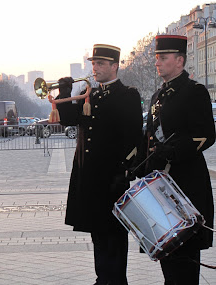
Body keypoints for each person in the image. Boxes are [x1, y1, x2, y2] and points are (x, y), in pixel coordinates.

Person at [52, 44, 143, 285]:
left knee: (113, 233)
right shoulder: (89, 93)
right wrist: (64, 93)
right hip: (90, 175)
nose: (95, 68)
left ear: (115, 66)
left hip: (112, 176)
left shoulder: (127, 95)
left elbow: (134, 137)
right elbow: (69, 120)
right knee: (97, 231)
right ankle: (103, 277)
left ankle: (114, 280)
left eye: (101, 63)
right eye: (94, 63)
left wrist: (125, 169)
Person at [132, 35, 215, 285]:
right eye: (157, 58)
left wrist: (173, 151)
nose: (157, 63)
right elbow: (150, 137)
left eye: (163, 58)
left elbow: (206, 135)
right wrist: (140, 164)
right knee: (167, 258)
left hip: (186, 184)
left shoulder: (194, 92)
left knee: (185, 263)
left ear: (179, 61)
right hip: (160, 186)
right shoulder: (158, 95)